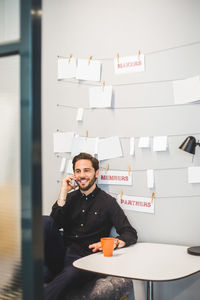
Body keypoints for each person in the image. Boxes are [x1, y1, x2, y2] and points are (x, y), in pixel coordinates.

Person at [44, 152, 138, 300]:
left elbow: (130, 233)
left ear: (96, 173)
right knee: (45, 221)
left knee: (71, 272)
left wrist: (114, 242)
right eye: (78, 171)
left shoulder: (108, 202)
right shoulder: (69, 198)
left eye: (87, 170)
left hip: (86, 258)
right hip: (62, 254)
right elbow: (53, 225)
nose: (82, 175)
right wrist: (63, 191)